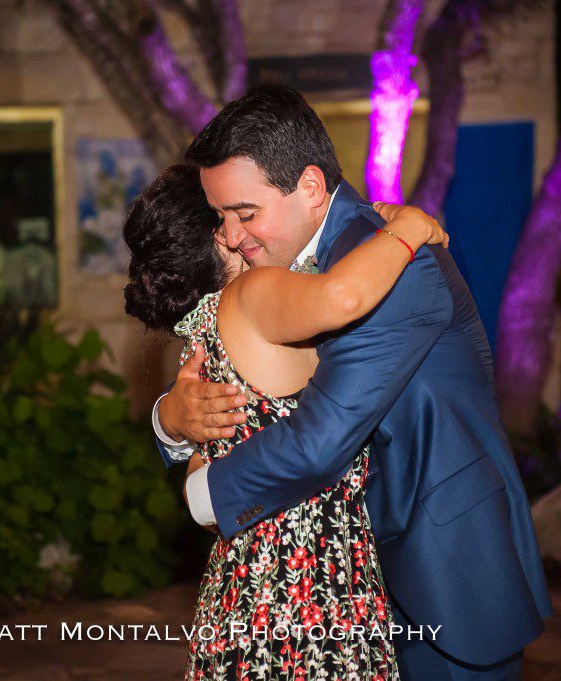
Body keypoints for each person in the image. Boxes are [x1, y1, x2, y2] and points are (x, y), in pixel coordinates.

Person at [152, 84, 553, 680]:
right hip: (353, 583)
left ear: (311, 188)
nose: (232, 236)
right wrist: (172, 420)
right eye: (221, 217)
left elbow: (321, 437)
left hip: (444, 570)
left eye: (246, 213)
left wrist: (202, 495)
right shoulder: (306, 266)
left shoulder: (397, 264)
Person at [124, 162, 448, 679]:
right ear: (219, 236)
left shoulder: (201, 337)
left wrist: (168, 419)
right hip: (311, 595)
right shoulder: (253, 295)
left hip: (239, 597)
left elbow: (203, 500)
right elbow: (343, 297)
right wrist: (407, 228)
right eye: (231, 214)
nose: (243, 227)